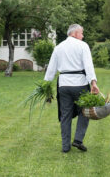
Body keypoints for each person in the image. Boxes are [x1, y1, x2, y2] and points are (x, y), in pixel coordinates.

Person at [44, 24, 99, 153]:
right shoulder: (83, 46)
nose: (83, 35)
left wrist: (46, 85)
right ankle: (78, 140)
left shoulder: (58, 47)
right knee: (85, 112)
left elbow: (51, 68)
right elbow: (88, 65)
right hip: (80, 84)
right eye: (81, 33)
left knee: (65, 115)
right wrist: (93, 82)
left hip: (63, 85)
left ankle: (65, 146)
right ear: (74, 33)